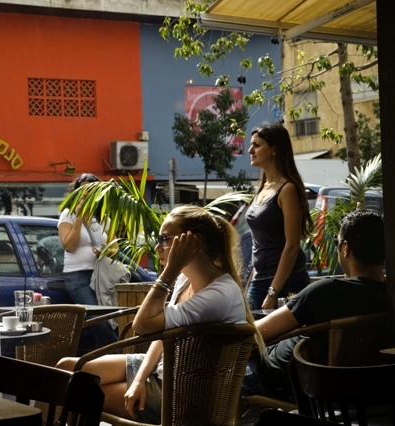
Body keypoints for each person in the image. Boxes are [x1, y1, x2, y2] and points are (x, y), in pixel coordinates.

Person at [57, 206, 264, 424]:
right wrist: (139, 378)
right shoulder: (186, 280)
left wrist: (171, 270)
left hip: (181, 392)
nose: (157, 248)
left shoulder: (219, 294)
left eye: (165, 239)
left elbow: (143, 325)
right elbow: (161, 333)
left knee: (75, 392)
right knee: (65, 369)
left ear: (194, 242)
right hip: (162, 370)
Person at [244, 210, 388, 401]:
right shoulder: (388, 293)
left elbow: (255, 335)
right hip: (361, 389)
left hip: (283, 382)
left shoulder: (327, 291)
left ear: (345, 248)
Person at [246, 122, 312, 310]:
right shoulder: (262, 188)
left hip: (285, 283)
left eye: (257, 145)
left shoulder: (287, 189)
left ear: (274, 150)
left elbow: (292, 246)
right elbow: (258, 244)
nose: (250, 150)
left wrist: (273, 291)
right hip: (260, 280)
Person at [58, 173, 119, 349]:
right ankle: (119, 353)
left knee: (107, 320)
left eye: (91, 190)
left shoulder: (103, 217)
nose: (86, 194)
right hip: (78, 276)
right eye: (82, 190)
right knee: (97, 319)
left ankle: (100, 362)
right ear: (76, 192)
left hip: (101, 275)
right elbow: (68, 245)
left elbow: (115, 247)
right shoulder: (68, 214)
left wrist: (105, 251)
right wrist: (79, 217)